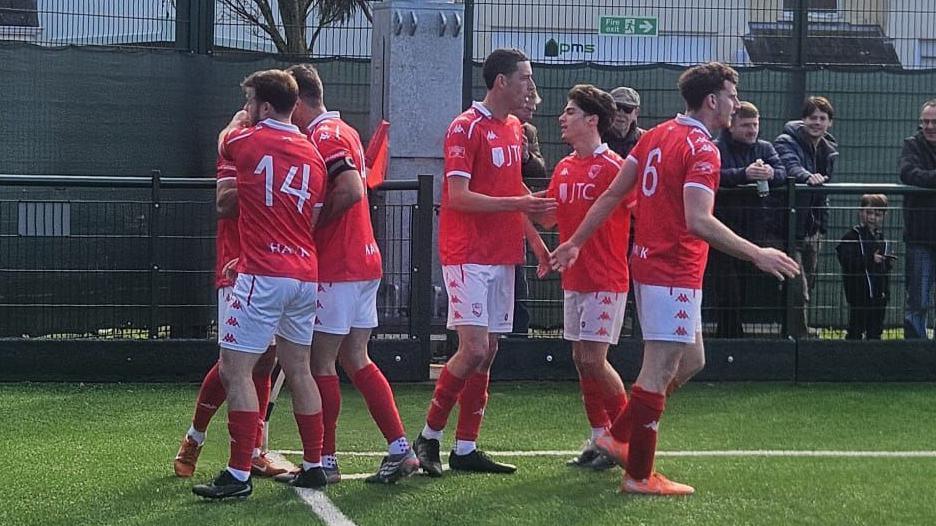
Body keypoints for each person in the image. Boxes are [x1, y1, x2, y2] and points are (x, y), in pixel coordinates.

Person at [551, 62, 799, 495]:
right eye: (731, 94)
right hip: (673, 270)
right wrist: (757, 253)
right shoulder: (703, 148)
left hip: (652, 266)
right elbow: (699, 220)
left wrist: (574, 241)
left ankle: (620, 435)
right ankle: (638, 474)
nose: (735, 103)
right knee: (659, 370)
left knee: (691, 361)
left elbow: (613, 194)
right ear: (711, 100)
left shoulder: (656, 135)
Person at [413, 48, 555, 477]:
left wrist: (537, 244)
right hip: (467, 254)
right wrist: (520, 203)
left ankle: (466, 447)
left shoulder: (514, 129)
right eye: (525, 78)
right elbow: (458, 198)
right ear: (501, 82)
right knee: (473, 348)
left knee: (488, 351)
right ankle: (428, 437)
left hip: (502, 254)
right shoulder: (465, 127)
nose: (531, 87)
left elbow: (514, 199)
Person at [192, 69, 328, 499]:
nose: (247, 109)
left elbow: (223, 143)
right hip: (305, 273)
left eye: (251, 102)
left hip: (263, 272)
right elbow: (313, 213)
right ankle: (313, 465)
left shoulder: (247, 139)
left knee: (235, 369)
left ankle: (237, 474)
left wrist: (237, 122)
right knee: (300, 368)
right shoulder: (313, 153)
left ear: (265, 106)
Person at [284, 63, 418, 485]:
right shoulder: (343, 132)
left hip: (339, 264)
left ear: (300, 101)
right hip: (364, 260)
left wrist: (309, 229)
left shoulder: (323, 136)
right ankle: (401, 449)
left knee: (319, 362)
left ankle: (325, 459)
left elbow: (350, 189)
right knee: (355, 357)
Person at [172, 159, 287, 480]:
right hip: (237, 267)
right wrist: (270, 188)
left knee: (266, 359)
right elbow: (224, 202)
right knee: (233, 364)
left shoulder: (286, 140)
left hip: (274, 266)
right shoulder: (239, 141)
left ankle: (253, 452)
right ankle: (194, 438)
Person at [538, 85, 632, 471]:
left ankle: (628, 437)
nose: (563, 118)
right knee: (581, 359)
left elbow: (639, 211)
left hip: (606, 277)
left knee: (594, 358)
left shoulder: (614, 167)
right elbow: (549, 216)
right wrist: (508, 200)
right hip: (575, 278)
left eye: (571, 111)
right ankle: (599, 437)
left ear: (592, 120)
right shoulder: (563, 167)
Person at [711, 101, 786, 337]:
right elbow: (712, 175)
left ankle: (735, 336)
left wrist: (771, 173)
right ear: (731, 125)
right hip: (723, 230)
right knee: (728, 289)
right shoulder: (716, 147)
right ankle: (730, 337)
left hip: (755, 230)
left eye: (755, 125)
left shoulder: (765, 148)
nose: (752, 130)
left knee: (744, 287)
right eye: (746, 125)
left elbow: (783, 173)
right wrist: (744, 174)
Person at [774, 96, 838, 337]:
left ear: (830, 123)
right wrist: (806, 176)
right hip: (790, 227)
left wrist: (822, 226)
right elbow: (789, 166)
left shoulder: (829, 149)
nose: (817, 122)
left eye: (822, 118)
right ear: (804, 119)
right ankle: (797, 337)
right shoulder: (785, 141)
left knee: (808, 284)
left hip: (814, 228)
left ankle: (794, 331)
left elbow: (824, 194)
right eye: (813, 117)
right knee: (796, 287)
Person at [511, 88, 548, 337]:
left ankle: (519, 339)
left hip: (517, 218)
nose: (532, 111)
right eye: (528, 105)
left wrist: (525, 157)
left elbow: (538, 171)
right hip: (501, 214)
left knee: (518, 288)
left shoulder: (527, 132)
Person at [899, 99, 936, 339]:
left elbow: (918, 175)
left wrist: (927, 177)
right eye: (925, 121)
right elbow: (908, 173)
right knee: (918, 300)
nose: (929, 126)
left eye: (934, 122)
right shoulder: (911, 145)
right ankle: (914, 354)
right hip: (920, 236)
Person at [835, 194, 893, 340]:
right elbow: (846, 261)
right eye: (869, 213)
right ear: (860, 212)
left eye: (877, 214)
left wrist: (887, 262)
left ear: (884, 216)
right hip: (859, 294)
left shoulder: (882, 239)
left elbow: (885, 269)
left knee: (876, 331)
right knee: (856, 329)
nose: (872, 217)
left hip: (879, 295)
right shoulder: (851, 237)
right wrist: (870, 259)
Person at [604, 86, 645, 158]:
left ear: (636, 113)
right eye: (617, 107)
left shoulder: (645, 140)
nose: (621, 113)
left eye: (627, 109)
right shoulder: (596, 139)